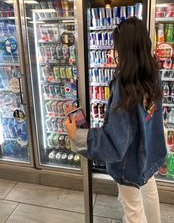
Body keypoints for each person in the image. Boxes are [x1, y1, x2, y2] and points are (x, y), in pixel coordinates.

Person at [65, 17, 167, 223]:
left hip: (130, 160)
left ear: (123, 48)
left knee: (133, 210)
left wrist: (77, 134)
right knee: (150, 193)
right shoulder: (152, 74)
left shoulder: (125, 85)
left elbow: (115, 141)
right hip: (148, 152)